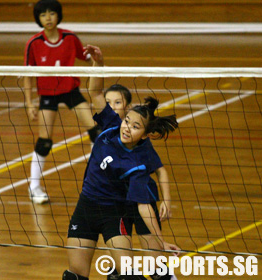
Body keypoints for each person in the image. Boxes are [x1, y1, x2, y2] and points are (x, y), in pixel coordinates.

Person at [63, 46, 180, 280]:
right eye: (128, 121)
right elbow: (95, 92)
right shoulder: (110, 125)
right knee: (75, 275)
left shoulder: (137, 163)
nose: (127, 128)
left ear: (145, 135)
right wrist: (99, 63)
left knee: (126, 275)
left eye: (136, 127)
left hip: (113, 214)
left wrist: (159, 243)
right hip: (85, 208)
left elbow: (144, 206)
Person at [24, 0, 101, 204]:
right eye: (43, 15)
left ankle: (98, 179)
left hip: (70, 91)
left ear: (58, 15)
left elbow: (84, 57)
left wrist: (95, 57)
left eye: (51, 13)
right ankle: (34, 186)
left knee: (96, 131)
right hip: (47, 94)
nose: (48, 18)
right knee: (45, 140)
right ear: (38, 19)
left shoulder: (70, 38)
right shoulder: (34, 43)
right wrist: (29, 103)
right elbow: (27, 75)